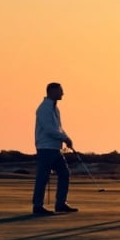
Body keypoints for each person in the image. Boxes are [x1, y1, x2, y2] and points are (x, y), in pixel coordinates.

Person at [32, 81, 77, 217]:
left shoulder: (55, 108)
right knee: (43, 177)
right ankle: (38, 206)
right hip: (45, 147)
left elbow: (58, 128)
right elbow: (49, 129)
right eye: (60, 90)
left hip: (55, 148)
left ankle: (60, 204)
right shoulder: (44, 109)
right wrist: (64, 138)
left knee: (64, 173)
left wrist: (66, 138)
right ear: (52, 91)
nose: (62, 93)